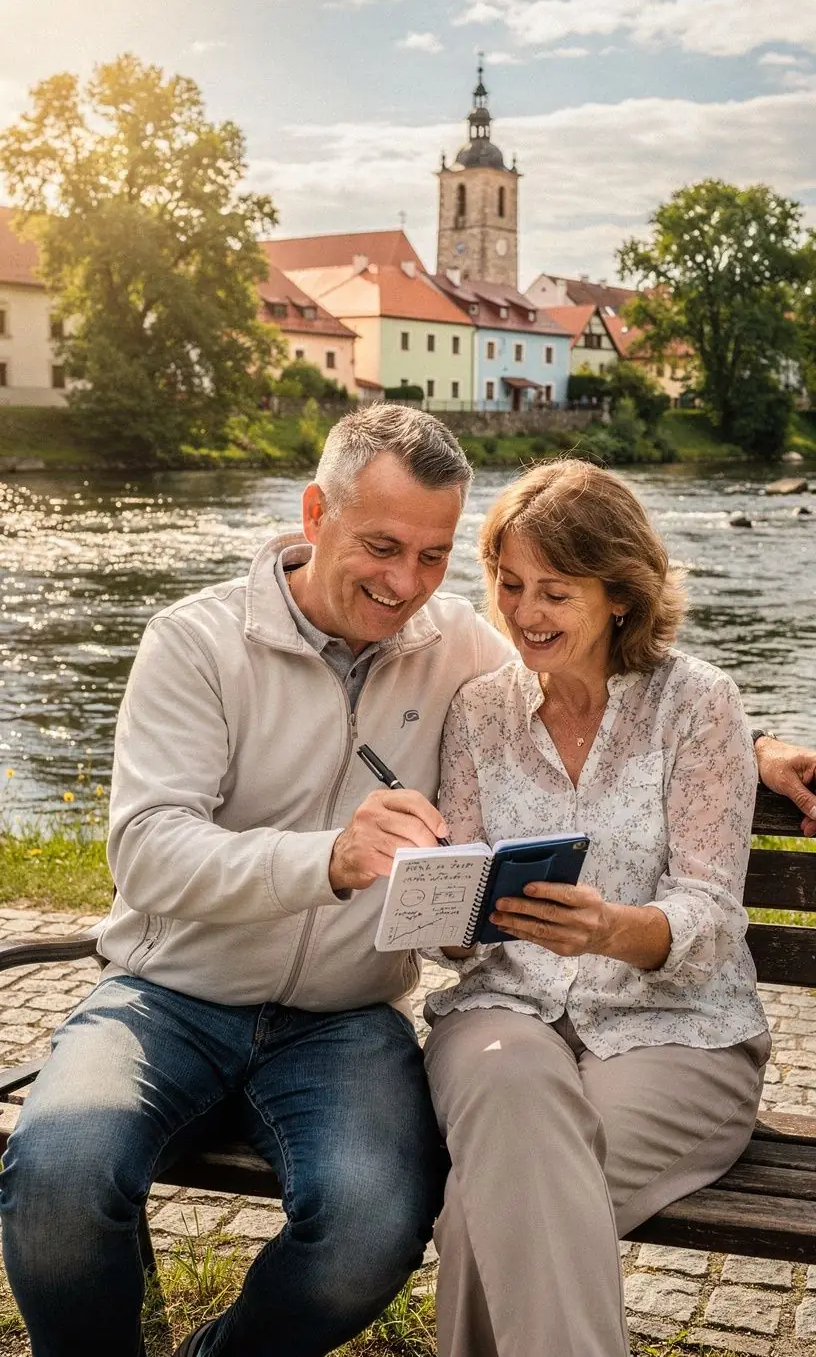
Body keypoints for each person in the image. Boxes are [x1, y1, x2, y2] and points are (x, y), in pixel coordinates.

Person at [0, 412, 812, 1357]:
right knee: (60, 1173)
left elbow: (616, 685)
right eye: (382, 546)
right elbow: (144, 849)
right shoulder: (197, 643)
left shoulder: (455, 643)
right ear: (315, 514)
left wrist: (749, 748)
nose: (405, 583)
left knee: (388, 1219)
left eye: (432, 556)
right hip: (171, 995)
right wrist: (330, 861)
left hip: (342, 1021)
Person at [422, 458, 795, 1357]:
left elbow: (711, 915)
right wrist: (444, 912)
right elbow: (456, 931)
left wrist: (617, 930)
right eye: (510, 585)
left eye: (555, 591)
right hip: (502, 1015)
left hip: (679, 1032)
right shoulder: (477, 711)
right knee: (512, 1108)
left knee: (484, 1217)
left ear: (621, 595)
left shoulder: (699, 705)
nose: (523, 613)